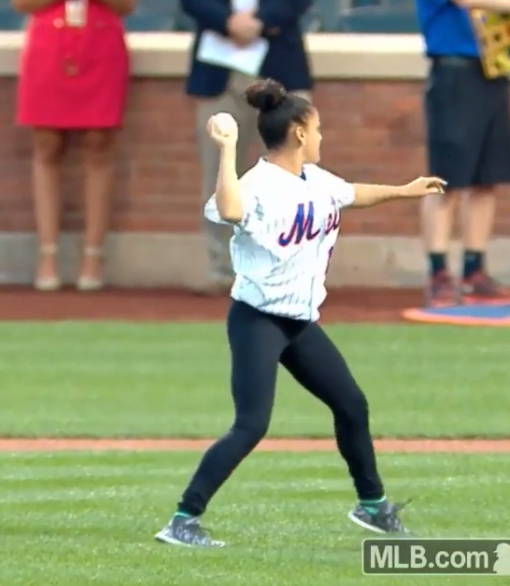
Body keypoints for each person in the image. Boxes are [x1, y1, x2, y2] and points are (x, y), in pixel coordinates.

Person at [154, 78, 447, 548]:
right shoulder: (259, 184)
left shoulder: (315, 179)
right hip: (258, 320)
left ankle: (373, 507)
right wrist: (227, 147)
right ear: (298, 134)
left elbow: (352, 193)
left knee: (351, 403)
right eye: (318, 129)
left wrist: (404, 191)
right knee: (251, 425)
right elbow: (230, 209)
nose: (322, 136)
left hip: (298, 321)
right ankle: (183, 519)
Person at [415, 0, 510, 307]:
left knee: (486, 179)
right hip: (453, 70)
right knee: (447, 181)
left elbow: (497, 16)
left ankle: (474, 273)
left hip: (492, 70)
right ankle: (439, 276)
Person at [179, 0, 313, 294]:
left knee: (292, 178)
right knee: (221, 175)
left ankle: (293, 271)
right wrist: (227, 21)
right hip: (218, 69)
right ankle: (223, 271)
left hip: (280, 67)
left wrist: (261, 20)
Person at [13, 0, 136, 291]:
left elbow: (127, 5)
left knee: (99, 144)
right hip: (48, 45)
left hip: (101, 43)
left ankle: (93, 256)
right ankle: (48, 255)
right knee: (47, 145)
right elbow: (21, 4)